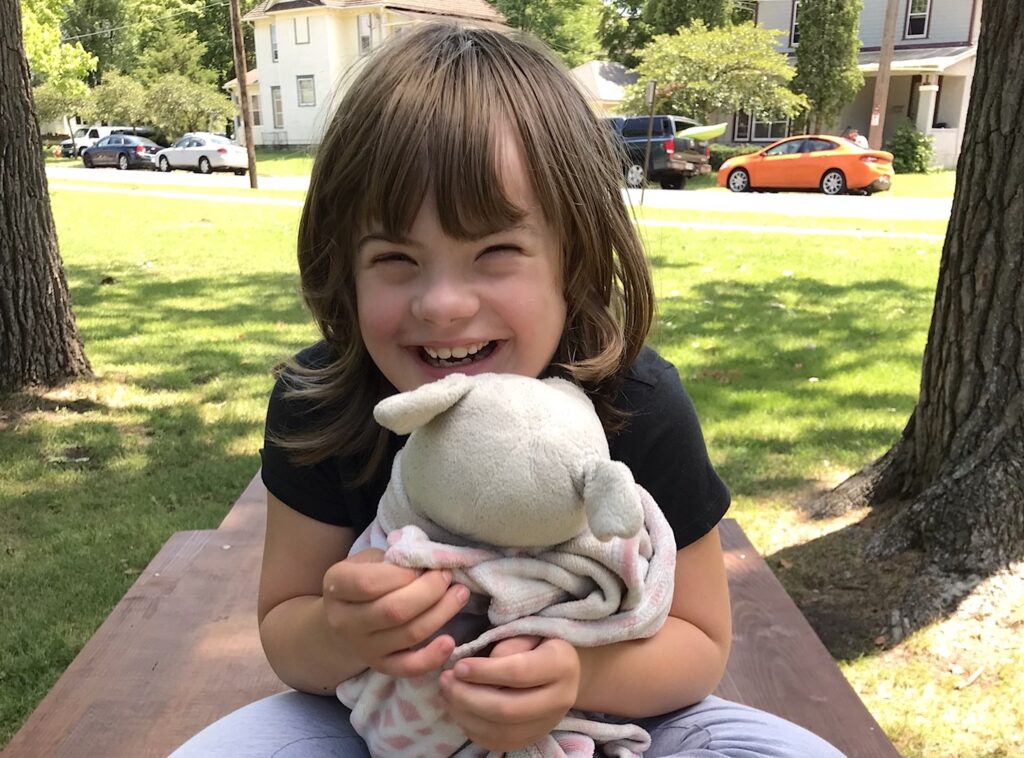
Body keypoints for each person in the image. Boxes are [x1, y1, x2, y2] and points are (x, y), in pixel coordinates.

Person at [171, 23, 844, 758]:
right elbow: (286, 629)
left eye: (495, 252)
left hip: (610, 715)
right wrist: (340, 629)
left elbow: (699, 642)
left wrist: (571, 674)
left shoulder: (636, 402)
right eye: (395, 257)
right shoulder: (322, 401)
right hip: (378, 716)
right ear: (345, 266)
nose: (444, 304)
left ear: (574, 258)